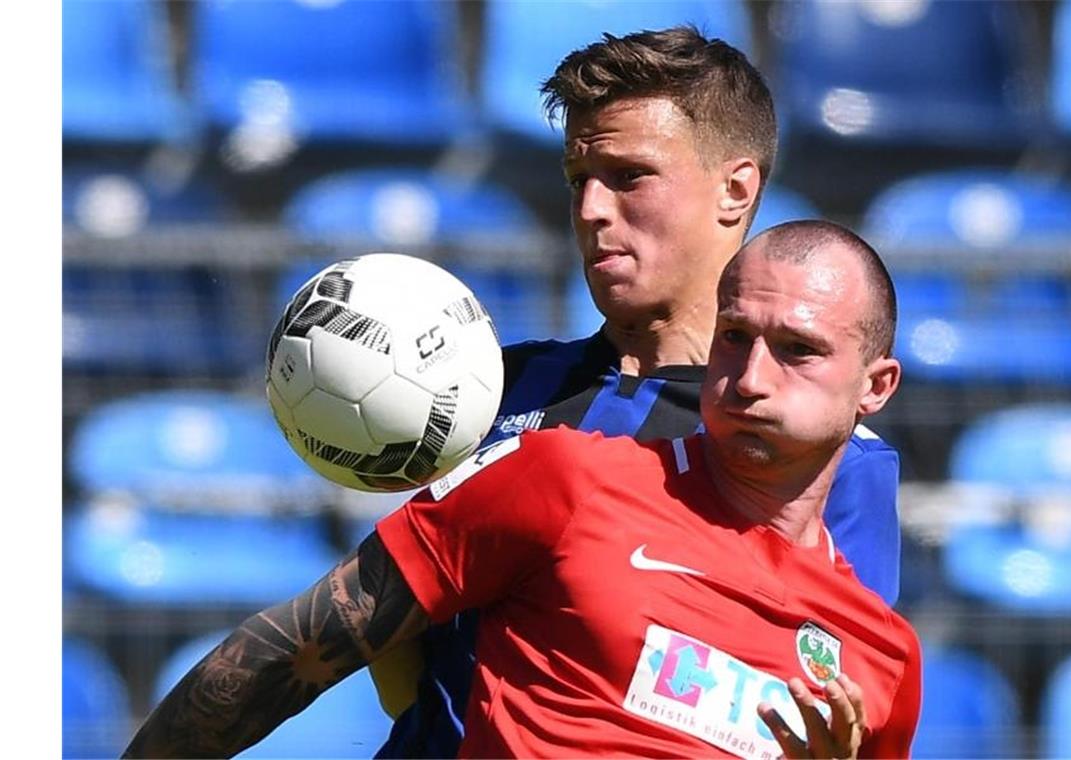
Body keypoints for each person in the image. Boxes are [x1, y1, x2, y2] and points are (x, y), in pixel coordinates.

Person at [123, 221, 920, 760]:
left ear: (875, 386)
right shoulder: (566, 477)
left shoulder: (881, 662)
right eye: (735, 337)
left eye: (798, 350)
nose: (750, 377)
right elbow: (289, 652)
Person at [369, 25, 903, 758]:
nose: (590, 210)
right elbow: (394, 649)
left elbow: (822, 698)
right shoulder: (491, 388)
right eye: (577, 180)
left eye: (628, 177)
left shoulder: (829, 458)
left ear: (735, 190)